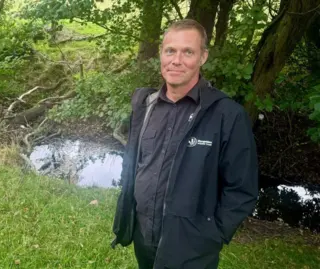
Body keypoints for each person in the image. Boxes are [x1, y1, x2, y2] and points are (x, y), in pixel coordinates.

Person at [111, 19, 259, 269]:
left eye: (187, 52)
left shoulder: (227, 115)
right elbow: (134, 161)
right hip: (143, 237)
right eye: (170, 51)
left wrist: (213, 235)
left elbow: (242, 189)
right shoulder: (145, 105)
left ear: (203, 57)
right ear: (161, 54)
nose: (176, 60)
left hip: (192, 249)